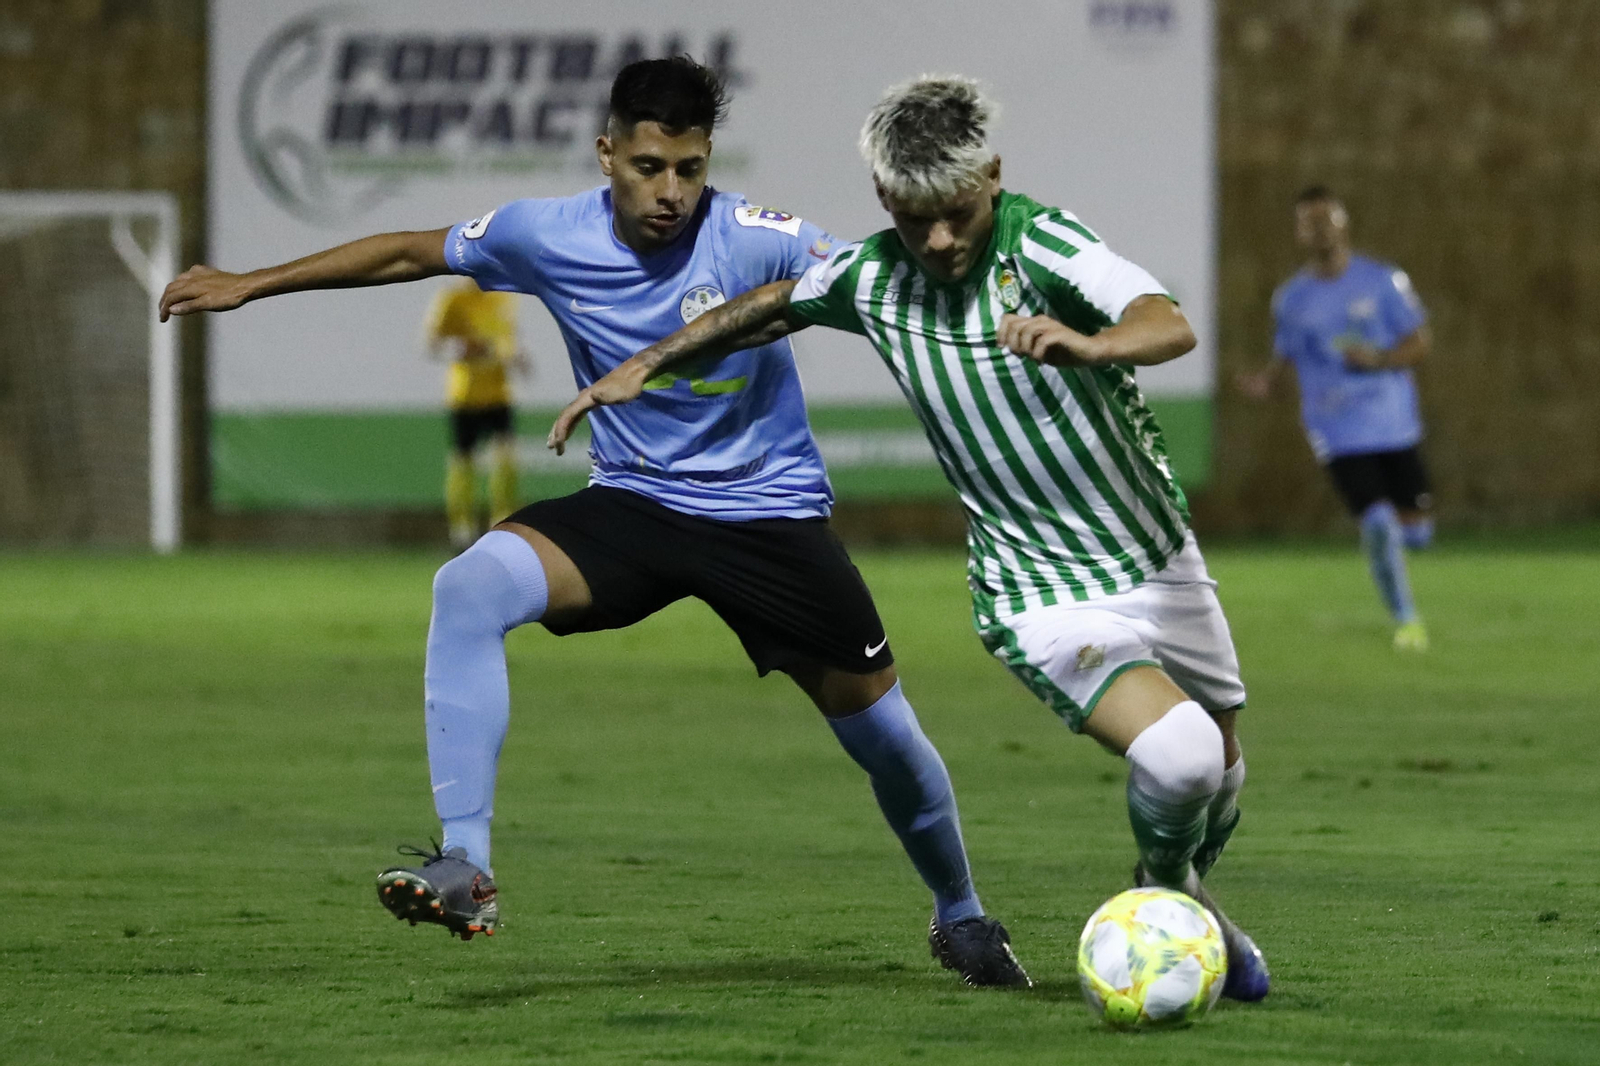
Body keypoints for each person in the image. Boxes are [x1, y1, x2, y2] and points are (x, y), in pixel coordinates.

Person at [159, 58, 1027, 988]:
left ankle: (962, 916)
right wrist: (253, 283)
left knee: (885, 738)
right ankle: (467, 867)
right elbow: (414, 251)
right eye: (650, 167)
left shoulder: (754, 237)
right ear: (607, 152)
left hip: (765, 513)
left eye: (690, 170)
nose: (671, 193)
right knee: (469, 586)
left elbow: (864, 281)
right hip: (636, 503)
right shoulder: (546, 233)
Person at [550, 75, 1271, 1001]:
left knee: (1221, 779)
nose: (939, 241)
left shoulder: (1045, 245)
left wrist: (1093, 345)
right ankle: (1168, 902)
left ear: (993, 180)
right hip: (1036, 588)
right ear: (887, 203)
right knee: (1180, 759)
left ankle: (1186, 888)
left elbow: (1165, 323)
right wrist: (646, 363)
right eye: (917, 217)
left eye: (958, 214)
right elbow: (773, 303)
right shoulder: (873, 277)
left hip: (1160, 562)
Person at [1238, 186, 1433, 651]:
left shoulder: (1384, 281)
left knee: (1417, 533)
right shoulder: (1292, 298)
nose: (1320, 227)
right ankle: (1406, 618)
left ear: (1344, 223)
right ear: (1299, 232)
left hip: (1393, 422)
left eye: (1327, 217)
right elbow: (1285, 355)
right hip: (1337, 429)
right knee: (1379, 521)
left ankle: (1397, 559)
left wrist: (1381, 359)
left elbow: (1420, 342)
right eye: (1310, 220)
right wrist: (1267, 382)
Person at [423, 278, 528, 548]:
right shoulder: (453, 299)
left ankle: (501, 522)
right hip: (465, 394)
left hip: (497, 392)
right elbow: (432, 342)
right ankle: (461, 529)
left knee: (505, 458)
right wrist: (462, 348)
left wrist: (513, 355)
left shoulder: (503, 298)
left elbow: (507, 340)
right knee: (463, 462)